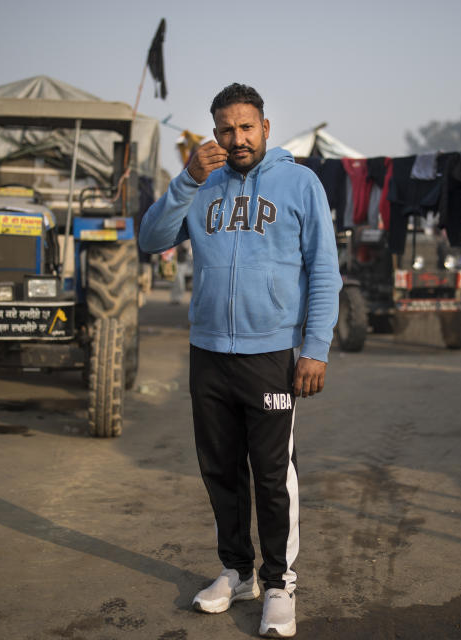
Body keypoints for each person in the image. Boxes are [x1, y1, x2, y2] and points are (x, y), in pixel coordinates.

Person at [138, 83, 341, 638]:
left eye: (246, 127)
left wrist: (315, 349)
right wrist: (186, 180)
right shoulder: (200, 186)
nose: (237, 138)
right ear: (214, 133)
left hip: (271, 354)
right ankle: (238, 570)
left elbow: (324, 270)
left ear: (265, 128)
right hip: (208, 352)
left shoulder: (300, 184)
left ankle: (279, 584)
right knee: (220, 470)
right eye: (226, 129)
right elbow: (149, 239)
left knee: (273, 476)